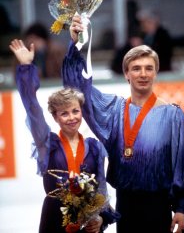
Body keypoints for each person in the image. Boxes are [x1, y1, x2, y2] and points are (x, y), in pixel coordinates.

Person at [61, 14, 184, 233]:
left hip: (159, 207)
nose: (143, 74)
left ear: (156, 73)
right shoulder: (113, 110)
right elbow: (78, 90)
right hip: (125, 206)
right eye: (136, 68)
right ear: (126, 74)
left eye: (149, 68)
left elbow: (183, 166)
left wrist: (181, 208)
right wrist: (75, 44)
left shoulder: (173, 116)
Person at [9, 39, 119, 233]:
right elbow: (32, 109)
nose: (71, 118)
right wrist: (26, 67)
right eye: (64, 113)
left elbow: (101, 190)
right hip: (54, 218)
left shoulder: (94, 147)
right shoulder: (47, 143)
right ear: (55, 117)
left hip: (87, 222)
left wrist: (101, 219)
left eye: (75, 111)